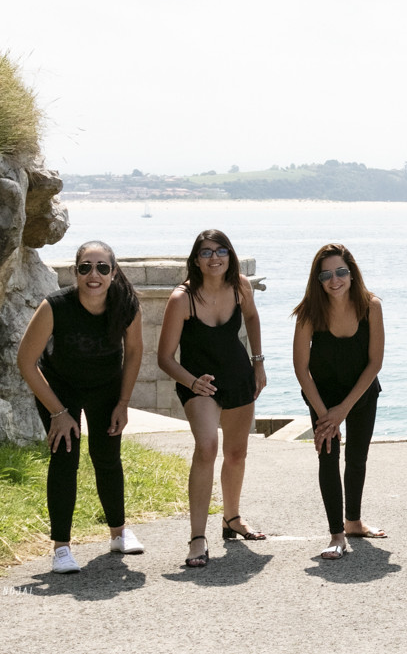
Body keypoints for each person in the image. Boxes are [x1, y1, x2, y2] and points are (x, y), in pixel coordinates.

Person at [15, 241, 144, 574]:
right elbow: (26, 362)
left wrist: (123, 403)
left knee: (107, 457)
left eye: (102, 267)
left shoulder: (126, 305)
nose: (94, 275)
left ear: (113, 273)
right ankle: (61, 548)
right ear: (75, 273)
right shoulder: (55, 306)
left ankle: (118, 533)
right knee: (65, 457)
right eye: (85, 267)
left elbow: (133, 354)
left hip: (106, 387)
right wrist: (58, 413)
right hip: (61, 389)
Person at [156, 229, 267, 568]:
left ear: (230, 255)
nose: (215, 257)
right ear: (196, 260)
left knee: (237, 452)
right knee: (207, 447)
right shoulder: (182, 298)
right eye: (206, 252)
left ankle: (232, 518)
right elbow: (165, 357)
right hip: (198, 382)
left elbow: (251, 317)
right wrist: (191, 382)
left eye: (221, 250)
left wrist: (258, 362)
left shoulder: (240, 287)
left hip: (238, 375)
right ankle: (197, 537)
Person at [292, 244, 387, 560]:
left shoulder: (371, 306)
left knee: (357, 457)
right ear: (318, 279)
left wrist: (342, 411)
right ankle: (336, 534)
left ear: (352, 272)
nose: (335, 280)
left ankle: (354, 522)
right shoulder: (309, 312)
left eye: (341, 272)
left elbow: (375, 363)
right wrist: (324, 416)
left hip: (361, 393)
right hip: (321, 396)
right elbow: (301, 369)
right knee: (328, 456)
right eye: (327, 274)